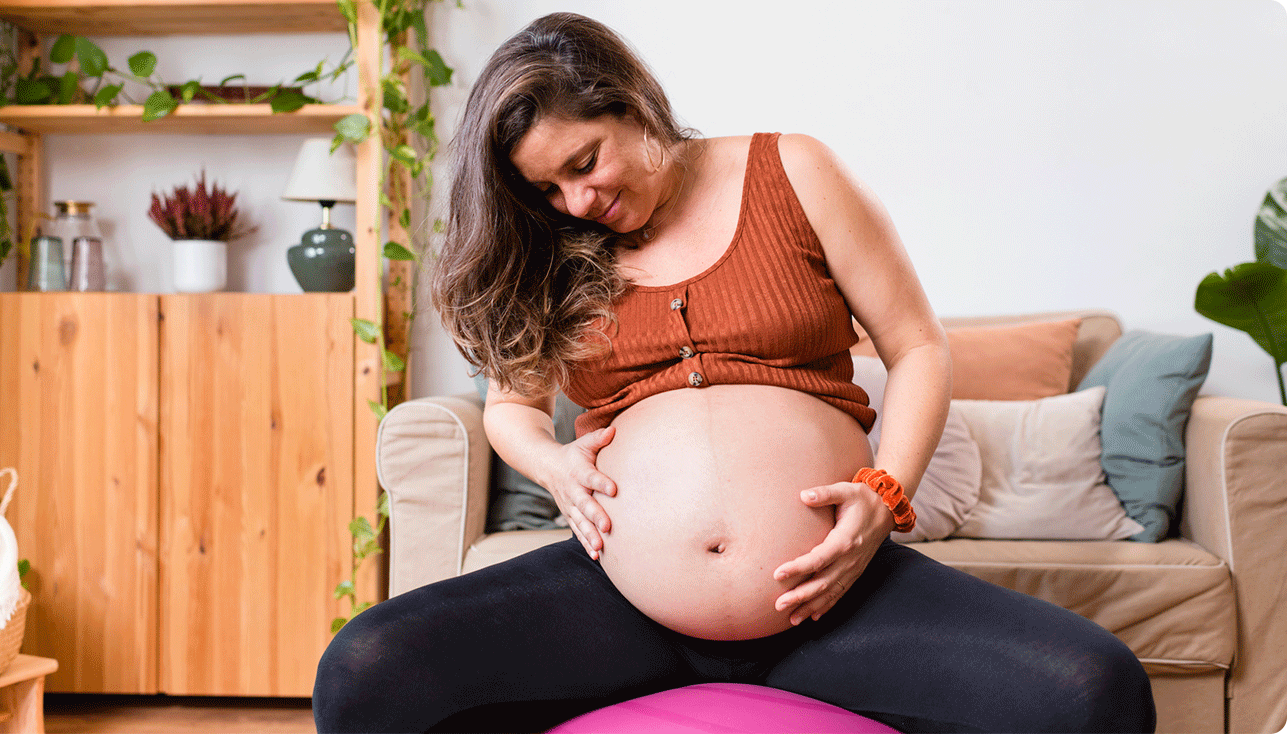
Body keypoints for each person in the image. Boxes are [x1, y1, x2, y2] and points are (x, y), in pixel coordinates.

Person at [313, 12, 1156, 733]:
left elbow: (919, 347)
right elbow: (513, 410)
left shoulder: (794, 170)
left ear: (634, 104)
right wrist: (554, 464)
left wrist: (883, 494)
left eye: (585, 163)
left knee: (1095, 688)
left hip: (832, 599)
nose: (575, 203)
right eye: (548, 190)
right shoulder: (558, 252)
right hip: (622, 605)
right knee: (364, 669)